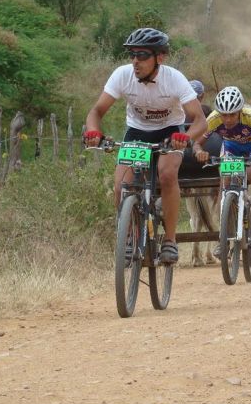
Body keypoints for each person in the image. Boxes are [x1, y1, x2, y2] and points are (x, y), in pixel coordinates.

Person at [83, 27, 207, 264]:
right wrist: (93, 131)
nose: (135, 62)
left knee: (167, 174)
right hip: (137, 132)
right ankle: (128, 237)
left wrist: (186, 138)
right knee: (121, 186)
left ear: (160, 57)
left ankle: (170, 240)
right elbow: (97, 111)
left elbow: (200, 120)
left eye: (142, 55)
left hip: (170, 132)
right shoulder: (122, 75)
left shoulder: (175, 79)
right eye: (132, 55)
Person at [194, 86, 251, 245]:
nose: (228, 119)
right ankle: (224, 236)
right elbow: (197, 143)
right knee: (225, 181)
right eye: (224, 115)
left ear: (240, 111)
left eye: (232, 114)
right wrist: (199, 152)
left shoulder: (250, 116)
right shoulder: (213, 118)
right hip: (231, 146)